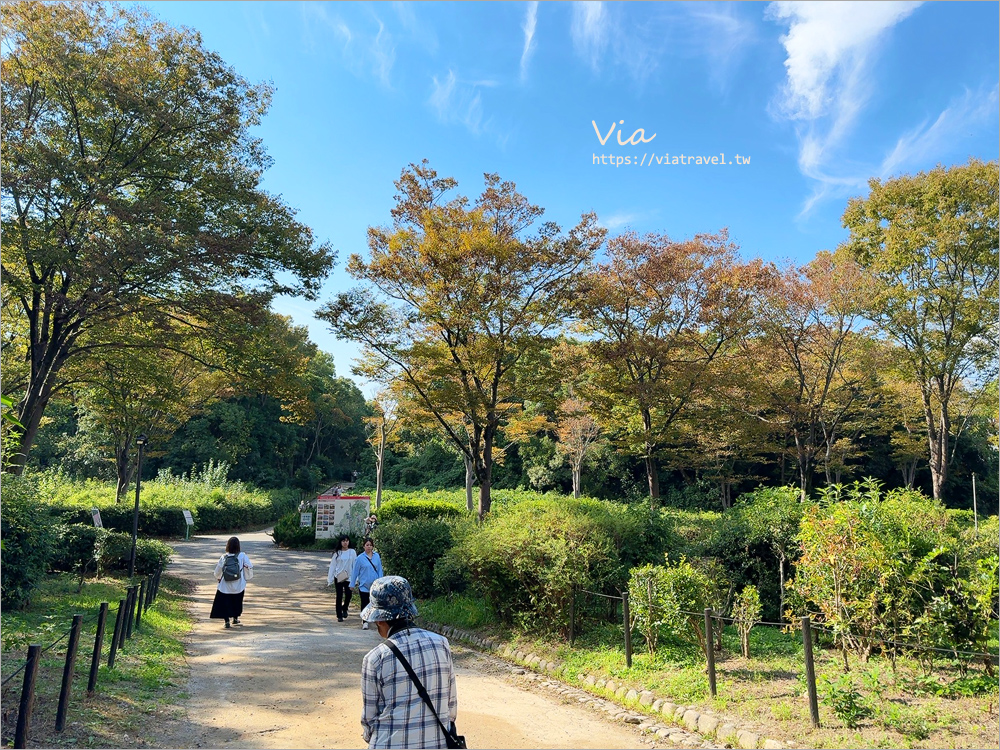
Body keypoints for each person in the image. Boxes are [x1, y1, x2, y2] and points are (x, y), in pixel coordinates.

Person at [360, 576, 458, 749]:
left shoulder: (375, 658)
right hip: (437, 743)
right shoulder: (441, 643)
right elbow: (450, 707)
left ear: (380, 619)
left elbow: (369, 720)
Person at [210, 536, 253, 629]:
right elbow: (249, 566)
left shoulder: (224, 557)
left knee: (225, 603)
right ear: (238, 546)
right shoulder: (242, 555)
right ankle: (235, 618)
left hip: (225, 585)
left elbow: (218, 571)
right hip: (239, 585)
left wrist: (218, 578)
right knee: (237, 601)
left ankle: (226, 621)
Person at [350, 537, 383, 630]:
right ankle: (365, 621)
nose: (369, 547)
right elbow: (355, 572)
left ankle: (375, 620)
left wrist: (381, 582)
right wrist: (352, 584)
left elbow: (380, 569)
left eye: (370, 545)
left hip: (375, 585)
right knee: (364, 603)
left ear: (373, 546)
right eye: (367, 545)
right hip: (364, 585)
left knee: (375, 603)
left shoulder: (377, 556)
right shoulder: (360, 558)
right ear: (364, 546)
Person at [327, 534, 357, 622]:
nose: (345, 543)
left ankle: (345, 608)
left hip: (349, 576)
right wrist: (330, 579)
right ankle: (339, 615)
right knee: (339, 596)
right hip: (339, 576)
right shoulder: (337, 553)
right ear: (340, 542)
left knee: (348, 594)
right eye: (343, 541)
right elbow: (332, 566)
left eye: (347, 541)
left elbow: (355, 565)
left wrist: (356, 578)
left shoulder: (352, 552)